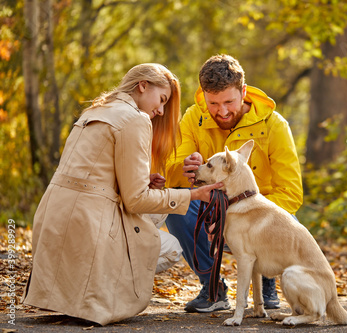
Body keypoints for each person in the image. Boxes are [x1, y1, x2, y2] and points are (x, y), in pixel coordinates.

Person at [22, 63, 222, 326]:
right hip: (89, 227)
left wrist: (143, 180)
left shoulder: (94, 110)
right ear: (142, 86)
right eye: (161, 100)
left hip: (53, 219)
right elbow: (136, 200)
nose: (161, 110)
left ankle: (76, 292)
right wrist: (194, 194)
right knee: (171, 246)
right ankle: (103, 292)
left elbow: (92, 173)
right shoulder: (135, 119)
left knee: (160, 210)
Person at [164, 54, 303, 313]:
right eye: (213, 103)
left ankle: (268, 278)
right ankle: (213, 287)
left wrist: (237, 217)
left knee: (290, 222)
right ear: (204, 96)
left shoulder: (274, 125)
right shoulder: (194, 118)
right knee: (175, 208)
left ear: (244, 92)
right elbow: (170, 175)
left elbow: (291, 193)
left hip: (257, 218)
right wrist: (186, 166)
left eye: (229, 101)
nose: (222, 111)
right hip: (209, 212)